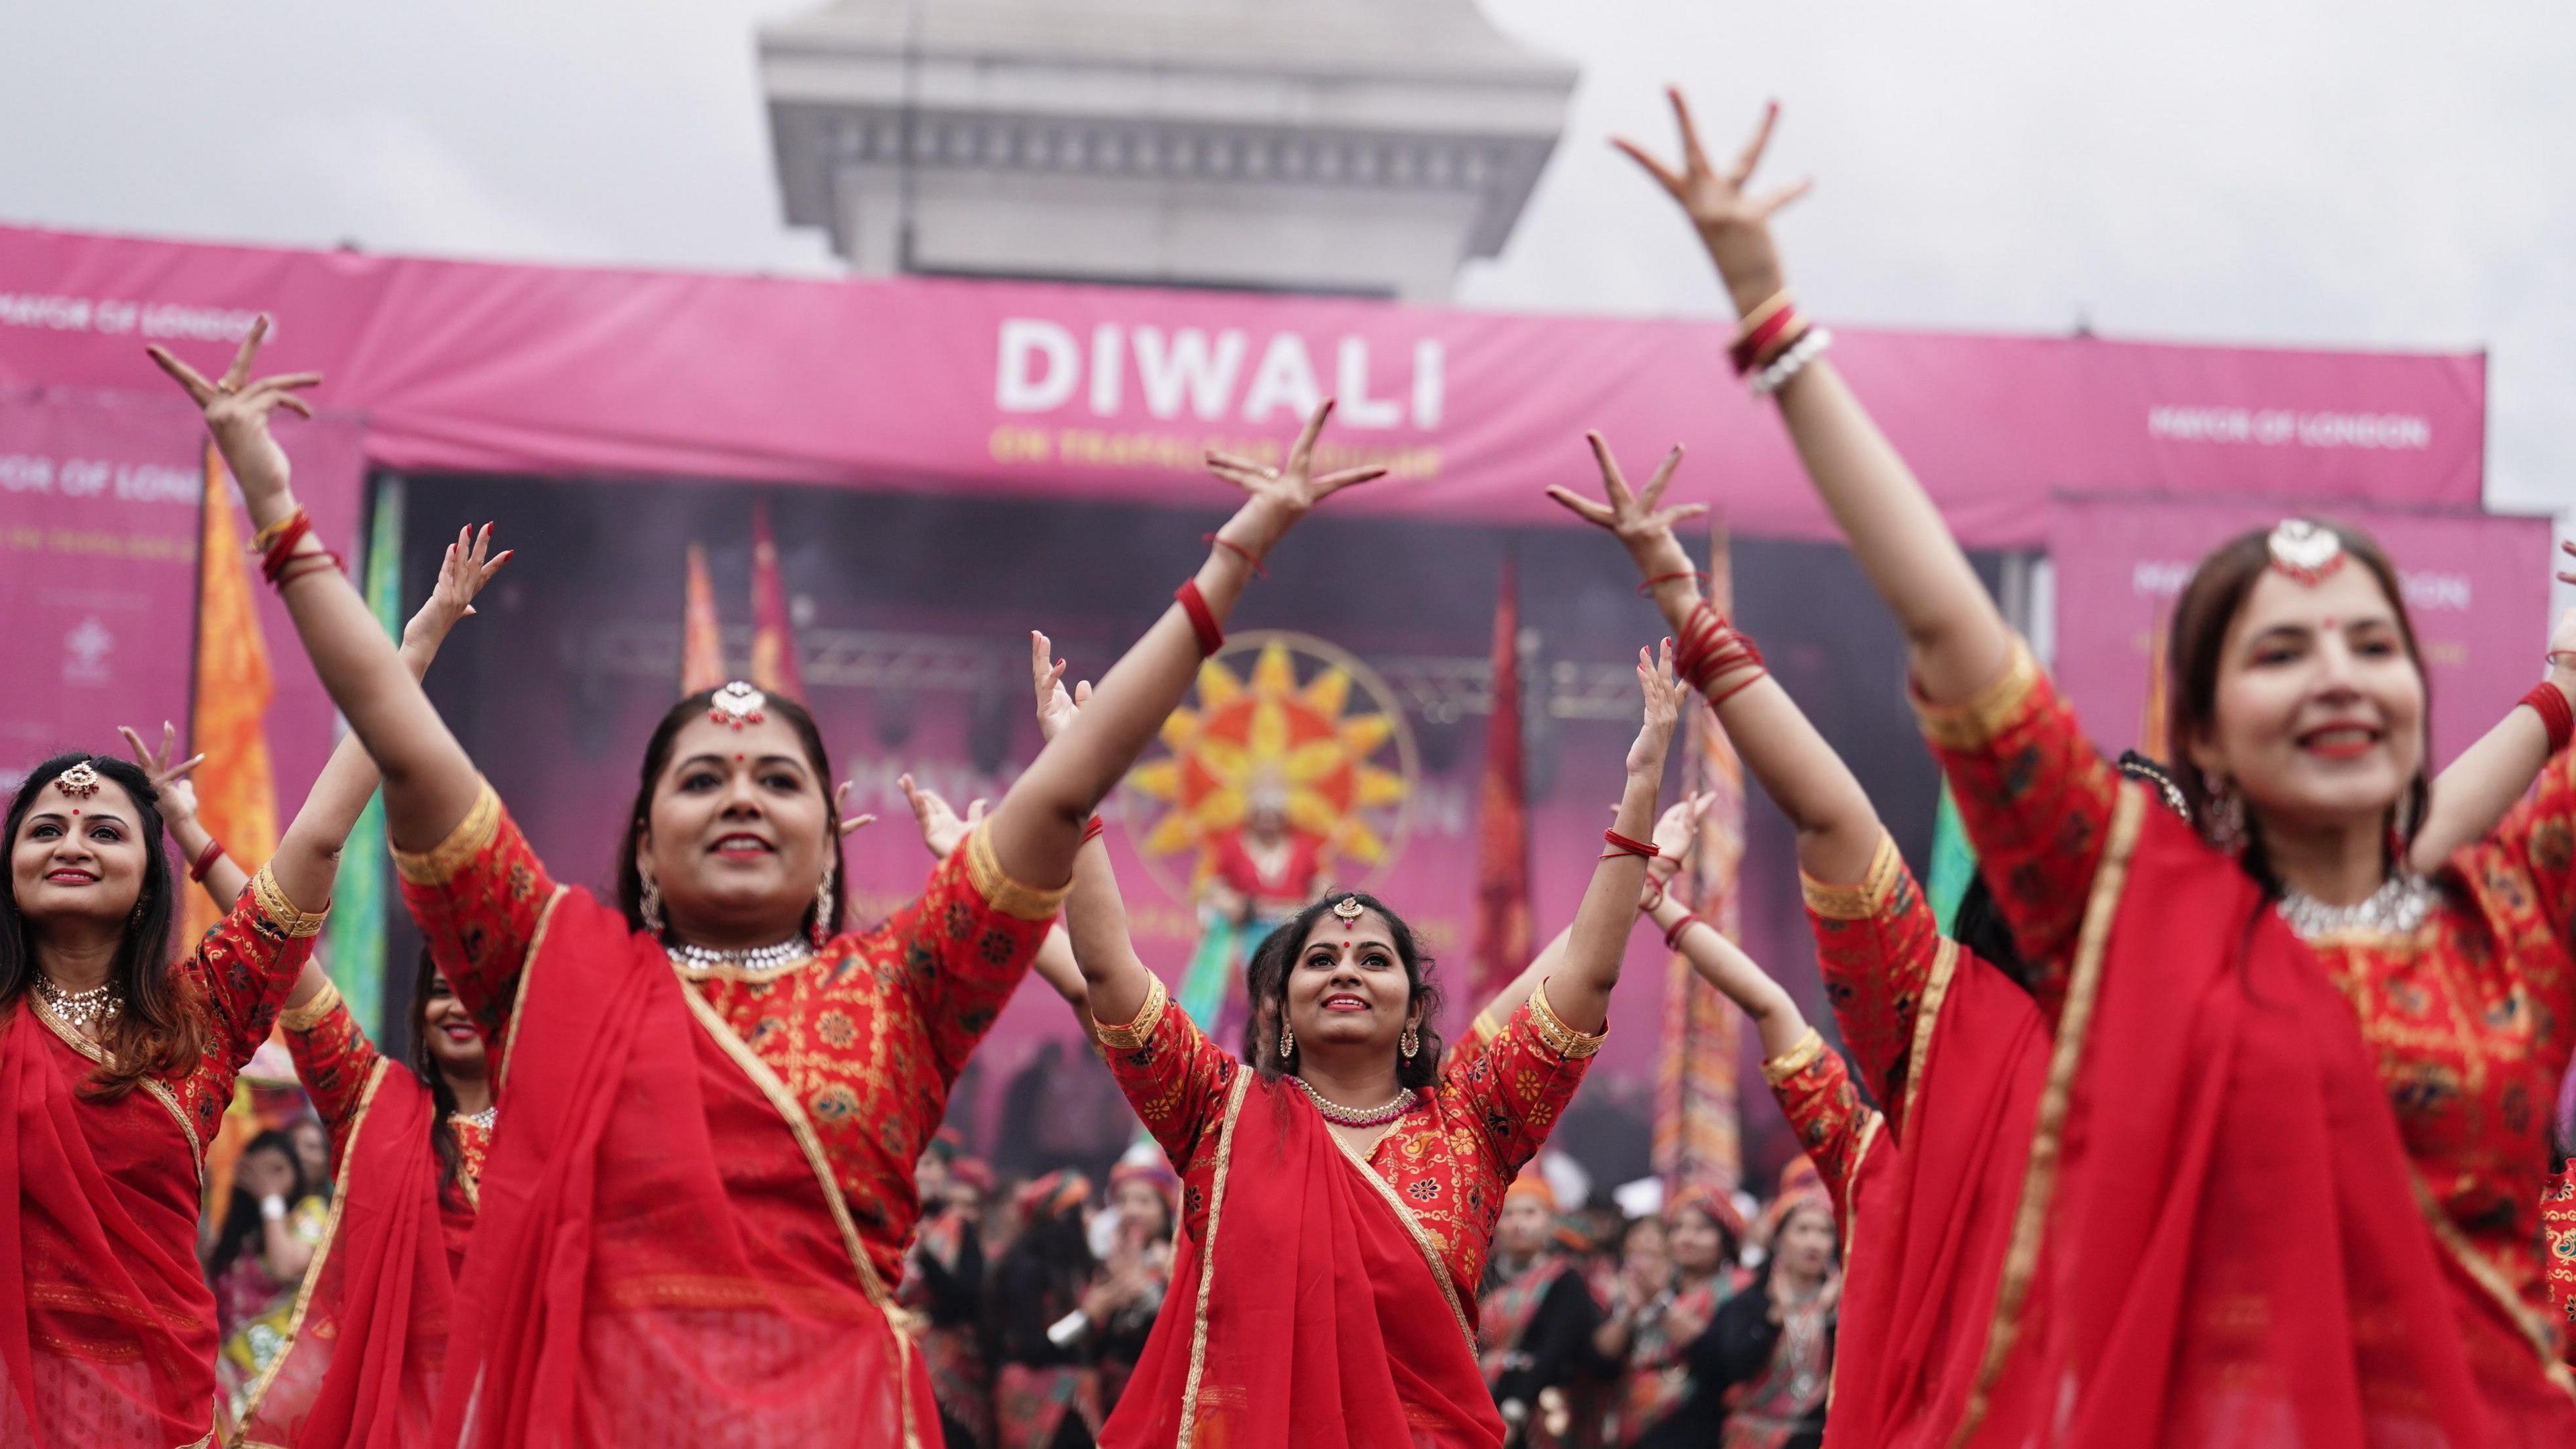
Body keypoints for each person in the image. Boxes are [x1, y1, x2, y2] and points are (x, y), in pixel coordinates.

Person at [148, 320, 1381, 1448]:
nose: (742, 793)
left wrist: (1232, 563)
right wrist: (280, 517)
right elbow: (404, 744)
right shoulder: (542, 965)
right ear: (643, 844)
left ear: (828, 842)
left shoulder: (911, 982)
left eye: (778, 779)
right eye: (704, 779)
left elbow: (1067, 793)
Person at [1607, 87, 2576, 1442]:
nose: (2341, 673)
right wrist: (1777, 333)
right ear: (2217, 725)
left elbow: (2430, 841)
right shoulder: (2107, 973)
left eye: (2373, 641)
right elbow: (1941, 638)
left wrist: (2563, 690)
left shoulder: (2483, 934)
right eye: (2283, 652)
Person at [1035, 613, 1682, 1446]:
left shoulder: (1472, 1125)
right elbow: (1110, 972)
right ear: (1279, 1004)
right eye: (1321, 960)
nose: (1346, 969)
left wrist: (1638, 798)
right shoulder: (1218, 1117)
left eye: (1375, 960)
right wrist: (1075, 783)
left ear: (1415, 1010)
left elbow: (1584, 979)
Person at [4, 680, 368, 1447]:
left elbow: (318, 843)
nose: (71, 845)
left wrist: (407, 658)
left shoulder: (199, 1017)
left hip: (160, 1416)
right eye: (45, 832)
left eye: (105, 832)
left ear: (146, 881)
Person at [1598, 1184, 1747, 1448]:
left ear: (1724, 1239)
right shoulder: (1655, 1283)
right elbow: (1601, 1357)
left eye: (1701, 1230)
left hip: (1701, 1425)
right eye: (1677, 1228)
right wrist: (1631, 1310)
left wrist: (1660, 1302)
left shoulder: (1740, 1290)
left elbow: (1718, 1360)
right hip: (1635, 1421)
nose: (1686, 1238)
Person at [1700, 1171, 1838, 1449]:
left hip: (1816, 1438)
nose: (1814, 1242)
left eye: (1824, 1232)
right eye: (1802, 1230)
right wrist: (1775, 1318)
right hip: (1753, 1437)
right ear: (1779, 1241)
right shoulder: (1752, 1300)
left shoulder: (1845, 1304)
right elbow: (1733, 1367)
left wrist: (1828, 1315)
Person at [206, 1128, 328, 1415]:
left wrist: (270, 1198)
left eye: (278, 1169)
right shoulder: (240, 1229)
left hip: (274, 1381)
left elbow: (284, 1266)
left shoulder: (311, 1213)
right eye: (262, 1169)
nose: (268, 1178)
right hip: (222, 1370)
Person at [1478, 1169, 1601, 1449]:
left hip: (1540, 1414)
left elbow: (1553, 1351)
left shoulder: (1566, 1281)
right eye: (1509, 1215)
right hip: (1480, 1400)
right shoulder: (1480, 1275)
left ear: (1550, 1221)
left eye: (1530, 1213)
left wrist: (1514, 1410)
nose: (1518, 1224)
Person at [987, 1170, 1106, 1449]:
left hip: (1075, 1398)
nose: (1088, 1219)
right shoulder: (1026, 1269)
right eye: (1079, 1211)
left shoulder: (1074, 1268)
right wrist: (1086, 1318)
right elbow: (1033, 1347)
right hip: (1035, 1396)